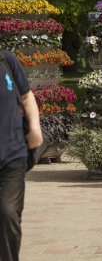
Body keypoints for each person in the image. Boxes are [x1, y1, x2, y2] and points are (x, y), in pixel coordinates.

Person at [0, 51, 43, 261]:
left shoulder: (6, 60)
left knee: (8, 213)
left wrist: (34, 128)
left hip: (12, 153)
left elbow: (26, 96)